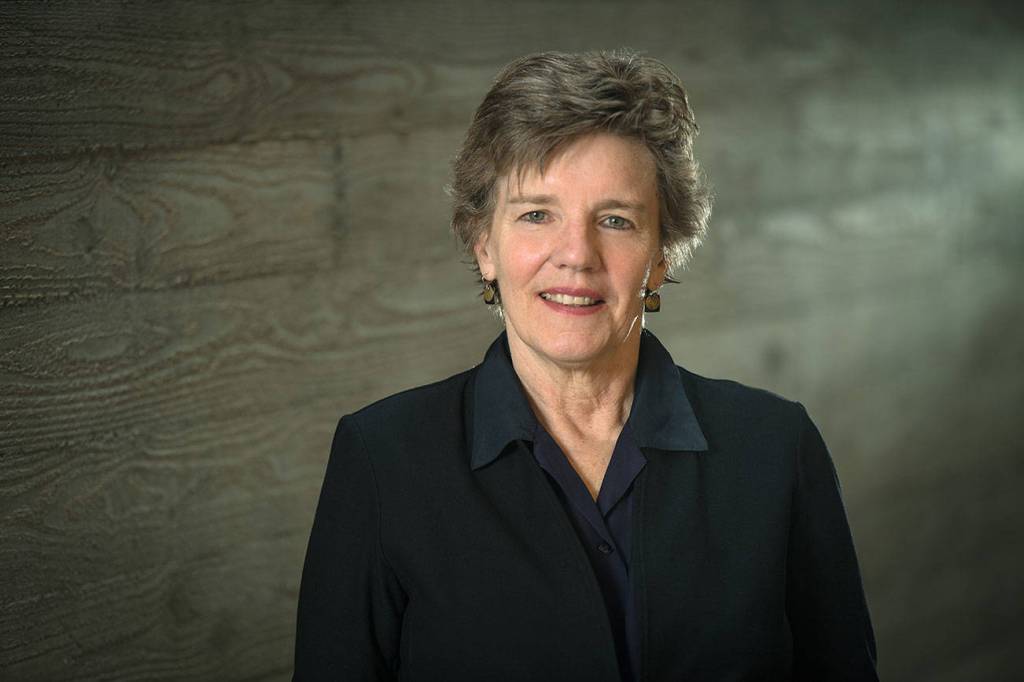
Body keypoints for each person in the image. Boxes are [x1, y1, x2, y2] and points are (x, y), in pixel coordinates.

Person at [293, 50, 878, 682]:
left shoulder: (776, 449)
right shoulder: (383, 461)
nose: (576, 255)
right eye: (536, 215)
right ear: (484, 244)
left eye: (616, 220)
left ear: (661, 256)